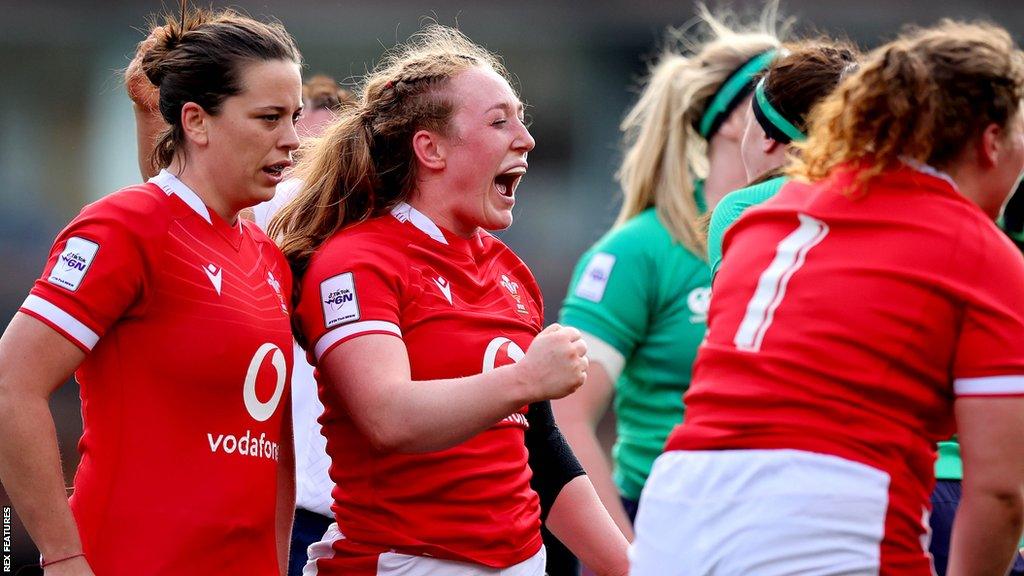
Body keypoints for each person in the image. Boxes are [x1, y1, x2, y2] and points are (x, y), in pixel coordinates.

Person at [631, 20, 1024, 576]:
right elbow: (1002, 493)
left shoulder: (764, 212)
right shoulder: (981, 251)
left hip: (676, 508)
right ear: (991, 141)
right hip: (827, 512)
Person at [270, 24, 630, 576]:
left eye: (523, 118)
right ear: (430, 148)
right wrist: (527, 380)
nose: (526, 138)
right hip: (404, 563)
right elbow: (388, 417)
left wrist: (625, 564)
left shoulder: (509, 270)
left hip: (522, 563)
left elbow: (538, 447)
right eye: (499, 120)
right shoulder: (357, 260)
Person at [0, 8, 303, 575]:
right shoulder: (123, 227)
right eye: (268, 118)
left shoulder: (266, 257)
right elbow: (10, 386)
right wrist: (63, 556)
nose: (291, 139)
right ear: (196, 121)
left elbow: (273, 444)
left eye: (295, 116)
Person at [553, 4, 781, 549]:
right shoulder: (643, 250)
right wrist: (626, 553)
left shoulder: (815, 237)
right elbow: (565, 418)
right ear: (731, 120)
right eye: (783, 93)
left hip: (783, 522)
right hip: (669, 520)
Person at [706, 39, 859, 277]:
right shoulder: (889, 191)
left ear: (768, 136)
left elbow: (737, 312)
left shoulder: (740, 209)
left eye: (749, 123)